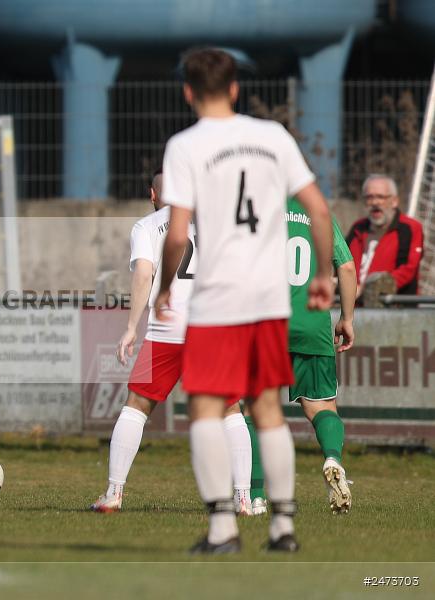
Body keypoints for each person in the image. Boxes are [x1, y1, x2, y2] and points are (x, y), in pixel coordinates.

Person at [156, 48, 334, 554]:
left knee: (208, 409)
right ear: (236, 88)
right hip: (268, 299)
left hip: (218, 300)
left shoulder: (185, 146)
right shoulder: (272, 137)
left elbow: (177, 234)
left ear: (188, 92)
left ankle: (222, 529)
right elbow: (319, 211)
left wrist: (167, 286)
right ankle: (282, 526)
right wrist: (323, 274)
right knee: (269, 409)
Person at [90, 168, 254, 516]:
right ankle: (242, 499)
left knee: (137, 405)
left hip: (165, 330)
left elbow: (144, 274)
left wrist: (132, 326)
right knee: (230, 409)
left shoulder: (147, 227)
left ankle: (114, 493)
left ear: (153, 195)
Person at [246, 198, 357, 516]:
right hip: (312, 324)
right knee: (321, 406)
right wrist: (347, 319)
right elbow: (346, 267)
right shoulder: (318, 213)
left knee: (257, 408)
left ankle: (255, 496)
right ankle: (333, 459)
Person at [345, 174, 424, 297]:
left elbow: (408, 270)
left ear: (394, 201)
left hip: (395, 307)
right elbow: (342, 262)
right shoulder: (358, 228)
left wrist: (368, 290)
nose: (375, 202)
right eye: (369, 197)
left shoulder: (409, 228)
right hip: (354, 307)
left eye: (381, 197)